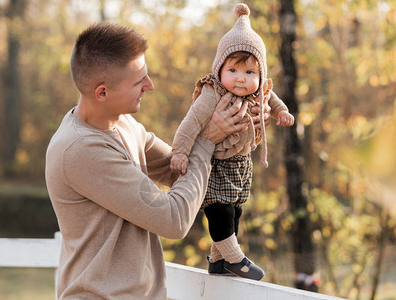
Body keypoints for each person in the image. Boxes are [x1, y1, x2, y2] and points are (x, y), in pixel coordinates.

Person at [45, 22, 273, 299]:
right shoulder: (81, 149)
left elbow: (182, 169)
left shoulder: (124, 124)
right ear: (102, 93)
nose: (150, 86)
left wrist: (238, 134)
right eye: (138, 81)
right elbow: (173, 219)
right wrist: (208, 139)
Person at [170, 3, 294, 281]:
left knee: (235, 211)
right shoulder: (211, 94)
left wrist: (282, 112)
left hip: (241, 163)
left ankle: (217, 261)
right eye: (234, 71)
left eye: (250, 73)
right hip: (215, 163)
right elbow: (190, 123)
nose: (241, 79)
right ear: (219, 70)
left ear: (260, 76)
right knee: (219, 210)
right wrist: (180, 152)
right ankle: (236, 258)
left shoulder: (259, 93)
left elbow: (273, 100)